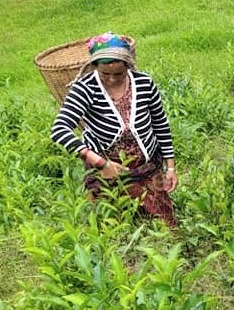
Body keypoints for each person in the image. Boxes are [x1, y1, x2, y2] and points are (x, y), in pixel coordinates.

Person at [51, 32, 178, 227]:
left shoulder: (144, 83)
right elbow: (60, 129)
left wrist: (170, 167)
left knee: (164, 222)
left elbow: (161, 125)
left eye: (118, 74)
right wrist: (101, 164)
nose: (111, 79)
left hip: (148, 166)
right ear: (94, 67)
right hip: (107, 170)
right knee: (116, 224)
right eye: (105, 74)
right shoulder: (84, 89)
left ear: (128, 66)